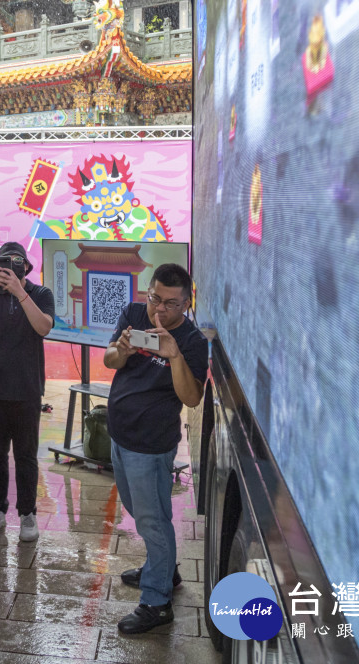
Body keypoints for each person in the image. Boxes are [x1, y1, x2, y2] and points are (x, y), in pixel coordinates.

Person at [101, 263, 208, 634]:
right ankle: (165, 570)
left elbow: (192, 398)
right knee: (138, 510)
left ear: (187, 303)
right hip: (120, 434)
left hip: (150, 445)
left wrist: (174, 355)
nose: (159, 310)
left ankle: (156, 601)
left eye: (171, 304)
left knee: (153, 520)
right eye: (155, 299)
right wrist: (123, 349)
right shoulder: (133, 314)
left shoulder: (193, 342)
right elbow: (109, 360)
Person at [0, 241, 54, 543]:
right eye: (4, 265)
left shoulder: (40, 294)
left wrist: (19, 292)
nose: (11, 271)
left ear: (26, 267)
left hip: (27, 388)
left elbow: (43, 328)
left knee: (26, 456)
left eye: (17, 265)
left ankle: (27, 514)